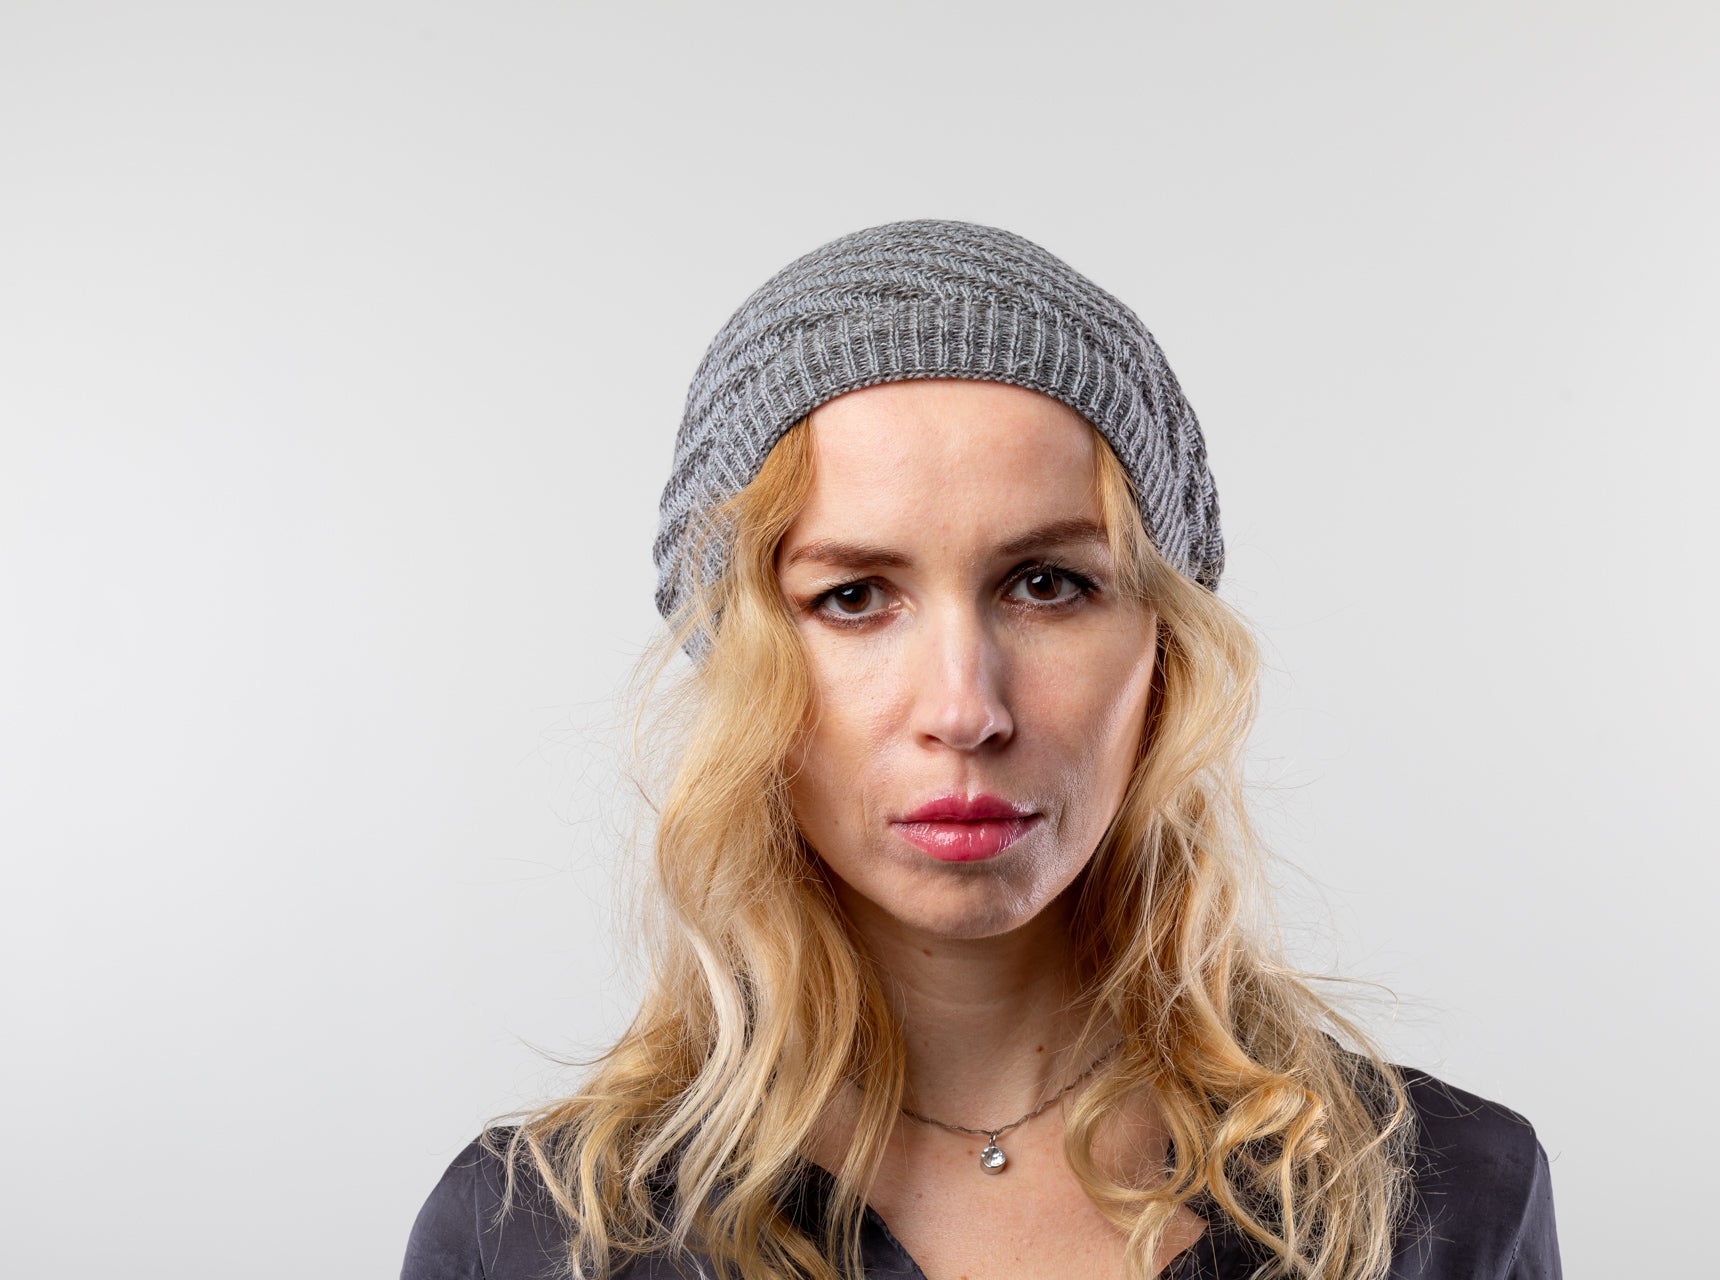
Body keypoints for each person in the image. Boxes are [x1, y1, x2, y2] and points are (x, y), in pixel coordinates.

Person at [400, 219, 1561, 1280]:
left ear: (1165, 648)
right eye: (854, 595)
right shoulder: (534, 1236)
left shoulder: (1444, 1200)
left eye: (1047, 584)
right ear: (739, 660)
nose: (964, 709)